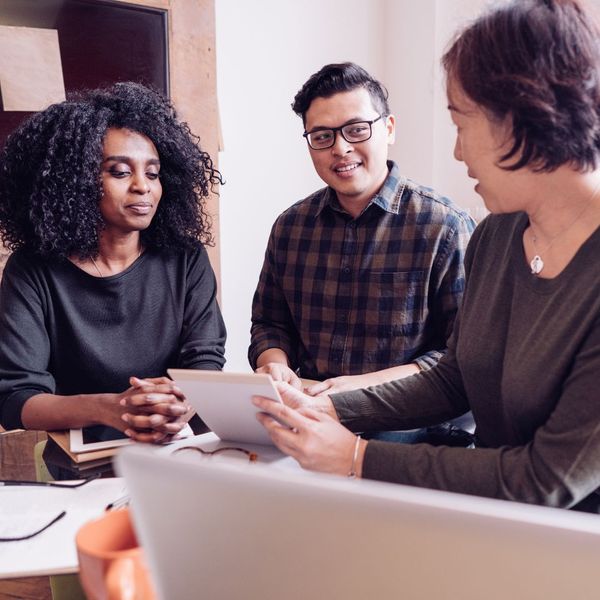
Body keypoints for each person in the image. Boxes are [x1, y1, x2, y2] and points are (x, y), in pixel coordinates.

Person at [254, 0, 600, 512]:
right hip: (487, 519)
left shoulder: (456, 225)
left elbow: (545, 479)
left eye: (462, 123)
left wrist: (355, 457)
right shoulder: (498, 234)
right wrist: (324, 405)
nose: (457, 152)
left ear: (521, 117)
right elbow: (452, 378)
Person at [249, 62, 474, 443]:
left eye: (356, 130)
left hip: (408, 424)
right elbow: (270, 323)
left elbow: (460, 358)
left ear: (388, 128)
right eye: (322, 136)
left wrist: (354, 390)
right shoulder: (290, 227)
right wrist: (274, 365)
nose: (340, 148)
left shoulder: (445, 227)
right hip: (307, 417)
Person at [0, 82, 226, 443]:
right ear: (75, 182)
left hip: (181, 447)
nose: (143, 186)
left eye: (152, 173)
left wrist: (183, 401)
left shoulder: (186, 258)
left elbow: (205, 363)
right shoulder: (33, 270)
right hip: (85, 460)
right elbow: (17, 398)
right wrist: (111, 408)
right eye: (120, 172)